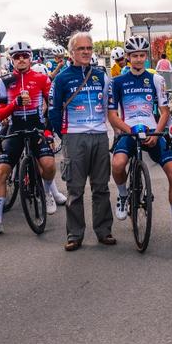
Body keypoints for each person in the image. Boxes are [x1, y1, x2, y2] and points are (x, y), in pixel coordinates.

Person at [0, 41, 65, 237]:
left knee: (49, 165)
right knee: (1, 172)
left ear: (30, 58)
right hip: (15, 128)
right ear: (11, 60)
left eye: (24, 56)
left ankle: (47, 192)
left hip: (37, 128)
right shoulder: (4, 81)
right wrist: (15, 103)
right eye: (17, 57)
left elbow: (52, 108)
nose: (21, 59)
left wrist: (49, 132)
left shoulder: (42, 78)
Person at [108, 35, 172, 239]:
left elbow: (165, 112)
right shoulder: (117, 82)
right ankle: (123, 195)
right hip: (129, 130)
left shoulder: (156, 79)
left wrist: (157, 134)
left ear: (146, 56)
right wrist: (128, 130)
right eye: (134, 56)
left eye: (142, 55)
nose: (138, 59)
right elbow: (112, 115)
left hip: (152, 130)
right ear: (127, 57)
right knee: (118, 164)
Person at [48, 33, 114, 250]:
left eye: (89, 48)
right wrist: (65, 135)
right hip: (74, 137)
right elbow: (53, 110)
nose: (86, 52)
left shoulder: (101, 76)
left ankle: (104, 231)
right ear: (71, 52)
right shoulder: (61, 79)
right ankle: (75, 235)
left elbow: (109, 105)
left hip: (99, 136)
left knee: (101, 187)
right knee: (75, 189)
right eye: (81, 48)